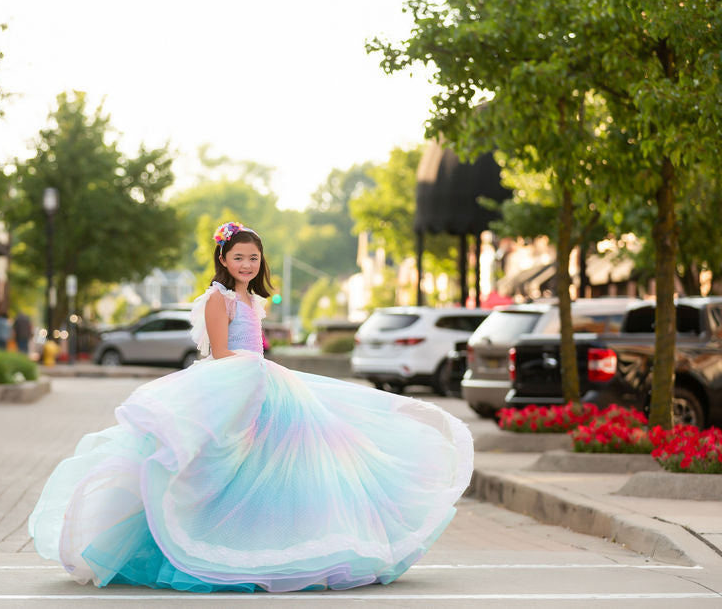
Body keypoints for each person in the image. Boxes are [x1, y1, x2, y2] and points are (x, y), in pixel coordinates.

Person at [27, 221, 473, 592]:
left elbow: (253, 348)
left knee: (300, 459)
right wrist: (256, 372)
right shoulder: (217, 299)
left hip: (263, 382)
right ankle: (223, 546)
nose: (246, 264)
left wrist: (264, 371)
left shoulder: (251, 300)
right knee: (228, 468)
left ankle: (289, 543)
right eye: (238, 257)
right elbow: (220, 354)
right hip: (235, 382)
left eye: (253, 258)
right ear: (223, 259)